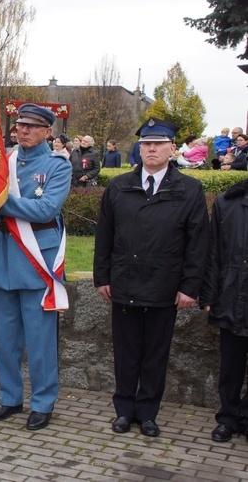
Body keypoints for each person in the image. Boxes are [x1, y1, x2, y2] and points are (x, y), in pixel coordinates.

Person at [93, 117, 209, 437]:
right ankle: (123, 410)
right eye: (146, 143)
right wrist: (102, 277)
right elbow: (104, 237)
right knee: (126, 352)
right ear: (139, 149)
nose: (152, 149)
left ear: (172, 149)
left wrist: (190, 287)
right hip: (125, 282)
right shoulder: (119, 187)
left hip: (165, 285)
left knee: (155, 354)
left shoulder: (189, 189)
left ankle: (147, 413)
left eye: (158, 143)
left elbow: (198, 244)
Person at [0, 104, 71, 430]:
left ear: (47, 131)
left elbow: (44, 210)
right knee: (6, 339)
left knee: (40, 341)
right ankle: (10, 398)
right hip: (4, 258)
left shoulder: (58, 166)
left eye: (31, 126)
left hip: (37, 260)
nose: (22, 130)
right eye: (19, 125)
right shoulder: (5, 163)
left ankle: (43, 402)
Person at [201, 178, 248, 443]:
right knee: (231, 365)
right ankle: (229, 417)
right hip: (232, 294)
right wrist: (208, 294)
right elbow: (213, 252)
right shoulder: (227, 202)